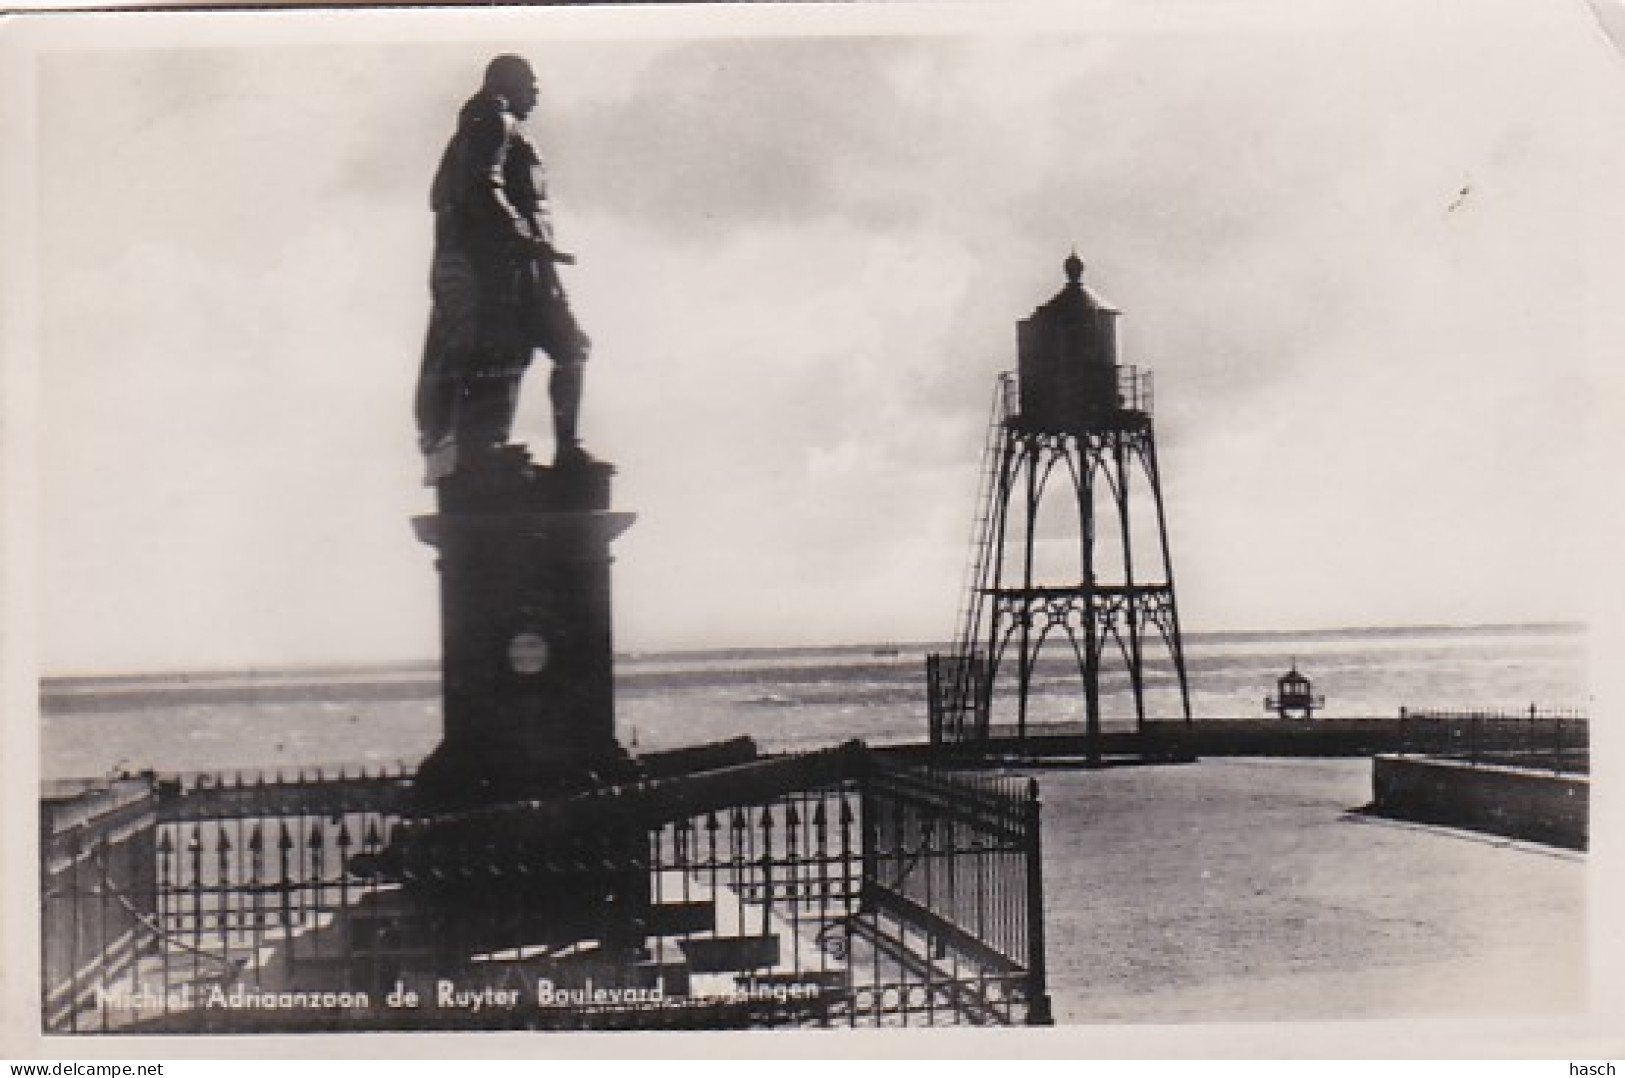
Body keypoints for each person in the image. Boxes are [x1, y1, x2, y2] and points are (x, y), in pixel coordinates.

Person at [414, 54, 593, 478]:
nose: (536, 93)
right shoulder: (491, 119)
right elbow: (484, 185)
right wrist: (522, 237)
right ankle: (497, 450)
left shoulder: (493, 123)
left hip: (523, 264)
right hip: (509, 265)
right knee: (534, 349)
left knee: (536, 349)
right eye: (530, 83)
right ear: (508, 83)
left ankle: (527, 449)